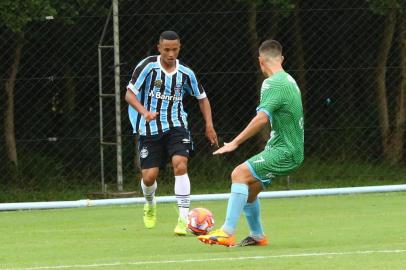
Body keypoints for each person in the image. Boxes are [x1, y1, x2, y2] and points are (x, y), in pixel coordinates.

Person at [198, 39, 304, 247]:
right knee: (249, 189)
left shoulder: (273, 83)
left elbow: (262, 118)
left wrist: (235, 142)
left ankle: (227, 231)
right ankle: (257, 236)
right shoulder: (289, 80)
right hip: (289, 149)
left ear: (260, 60)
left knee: (238, 174)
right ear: (281, 58)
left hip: (286, 151)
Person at [125, 30, 218, 235]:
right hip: (149, 128)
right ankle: (150, 203)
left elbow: (202, 97)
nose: (170, 54)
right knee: (149, 176)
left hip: (177, 125)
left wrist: (209, 124)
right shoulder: (147, 67)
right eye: (166, 49)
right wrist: (145, 112)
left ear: (179, 48)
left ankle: (184, 219)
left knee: (180, 164)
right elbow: (129, 94)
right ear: (159, 48)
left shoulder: (186, 73)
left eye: (174, 49)